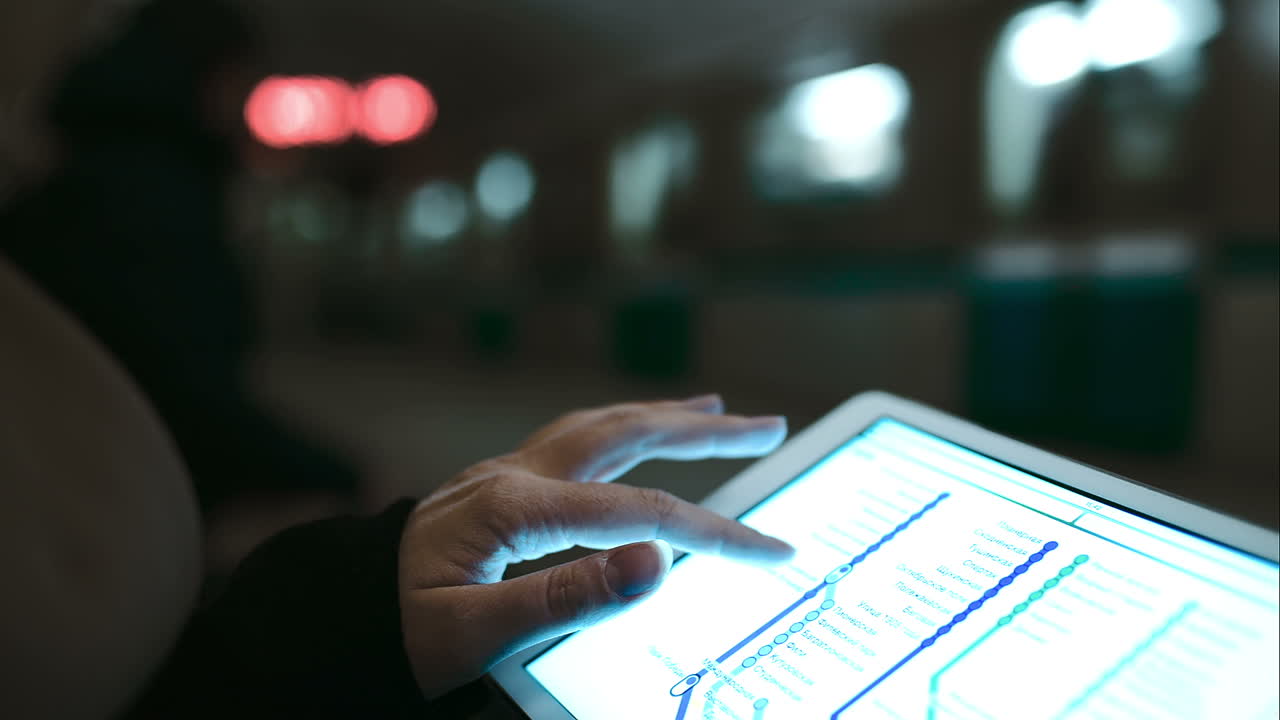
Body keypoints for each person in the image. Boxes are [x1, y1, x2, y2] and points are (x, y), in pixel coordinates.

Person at [0, 2, 796, 718]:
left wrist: (372, 594)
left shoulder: (79, 181)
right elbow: (184, 392)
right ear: (214, 81)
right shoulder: (143, 199)